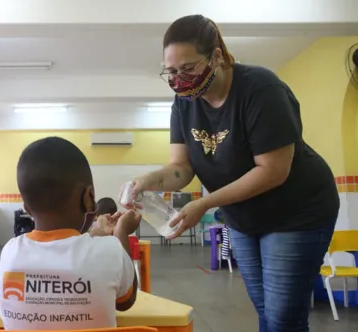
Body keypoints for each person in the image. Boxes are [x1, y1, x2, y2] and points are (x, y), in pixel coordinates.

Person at [125, 14, 339, 332]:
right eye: (170, 72)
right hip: (243, 218)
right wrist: (146, 182)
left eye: (188, 69)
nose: (179, 80)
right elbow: (181, 168)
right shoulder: (184, 102)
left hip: (298, 212)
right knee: (266, 311)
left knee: (283, 318)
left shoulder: (260, 89)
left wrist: (204, 204)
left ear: (217, 56)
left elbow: (272, 171)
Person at [0, 137, 140, 330]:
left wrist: (96, 236)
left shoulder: (10, 253)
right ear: (89, 198)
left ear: (27, 209)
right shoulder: (110, 251)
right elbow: (125, 301)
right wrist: (121, 230)